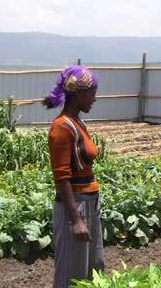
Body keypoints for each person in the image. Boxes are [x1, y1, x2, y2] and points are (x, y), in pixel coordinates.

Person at [42, 66, 104, 288]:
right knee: (72, 273)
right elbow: (61, 177)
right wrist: (76, 220)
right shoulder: (61, 127)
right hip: (75, 207)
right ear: (78, 94)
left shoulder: (78, 122)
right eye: (92, 93)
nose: (95, 99)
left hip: (89, 202)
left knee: (92, 269)